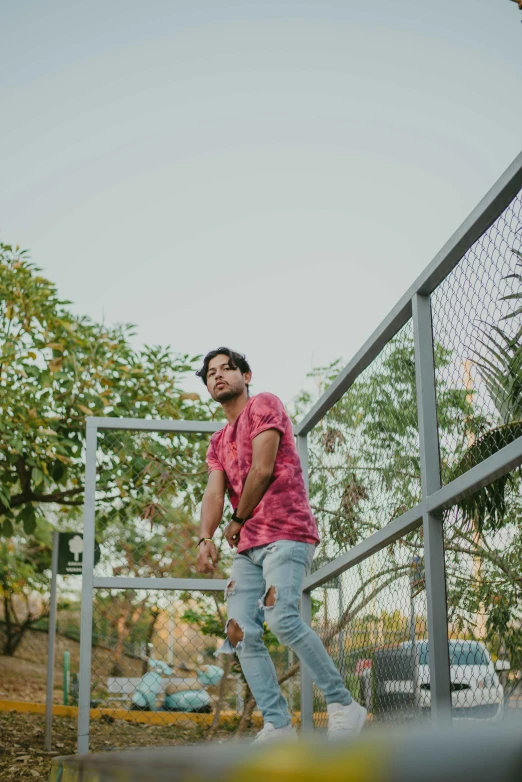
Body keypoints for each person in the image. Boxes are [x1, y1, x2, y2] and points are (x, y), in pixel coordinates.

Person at [195, 347, 367, 743]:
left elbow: (263, 468)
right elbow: (214, 493)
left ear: (246, 375)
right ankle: (277, 725)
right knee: (239, 630)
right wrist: (205, 537)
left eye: (227, 369)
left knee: (282, 618)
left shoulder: (263, 405)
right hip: (248, 548)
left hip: (285, 532)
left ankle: (344, 704)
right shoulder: (218, 440)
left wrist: (237, 521)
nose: (218, 376)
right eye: (211, 374)